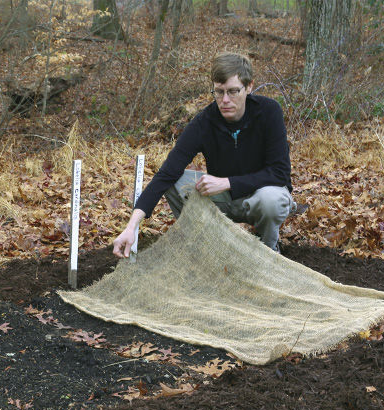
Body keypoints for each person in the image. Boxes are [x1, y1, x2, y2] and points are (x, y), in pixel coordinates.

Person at [113, 51, 294, 258]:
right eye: (219, 92)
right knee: (175, 180)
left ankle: (268, 252)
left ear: (249, 87)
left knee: (272, 199)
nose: (225, 100)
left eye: (233, 91)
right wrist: (131, 226)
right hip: (222, 201)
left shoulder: (269, 112)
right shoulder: (205, 121)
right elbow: (166, 174)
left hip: (259, 196)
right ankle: (208, 247)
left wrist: (228, 182)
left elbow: (279, 174)